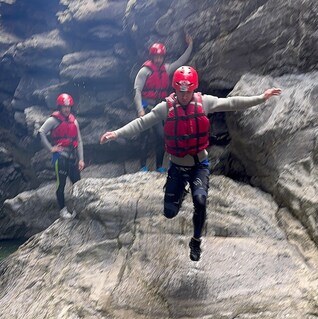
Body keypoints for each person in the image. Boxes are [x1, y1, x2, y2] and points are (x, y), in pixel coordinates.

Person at [100, 66, 281, 261]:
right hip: (177, 166)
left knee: (201, 201)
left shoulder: (204, 103)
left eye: (188, 91)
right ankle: (180, 192)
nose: (184, 95)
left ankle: (196, 241)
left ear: (193, 89)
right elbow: (142, 123)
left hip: (199, 165)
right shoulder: (166, 108)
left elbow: (232, 102)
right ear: (175, 89)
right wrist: (116, 133)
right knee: (169, 212)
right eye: (180, 91)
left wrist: (261, 98)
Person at [134, 33, 193, 173]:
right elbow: (137, 91)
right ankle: (143, 166)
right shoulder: (145, 71)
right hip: (146, 108)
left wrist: (190, 45)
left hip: (159, 108)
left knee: (161, 137)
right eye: (156, 57)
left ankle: (159, 166)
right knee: (144, 138)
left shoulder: (166, 69)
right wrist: (139, 111)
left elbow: (181, 61)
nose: (158, 59)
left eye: (160, 57)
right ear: (152, 57)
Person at [39, 93, 85, 219]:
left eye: (69, 107)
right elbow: (41, 132)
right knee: (61, 184)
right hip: (59, 157)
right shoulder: (53, 120)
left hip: (72, 157)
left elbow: (79, 141)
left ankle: (78, 208)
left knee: (78, 183)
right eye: (64, 107)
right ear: (59, 107)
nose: (67, 109)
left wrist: (81, 159)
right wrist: (51, 148)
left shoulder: (73, 121)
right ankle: (62, 210)